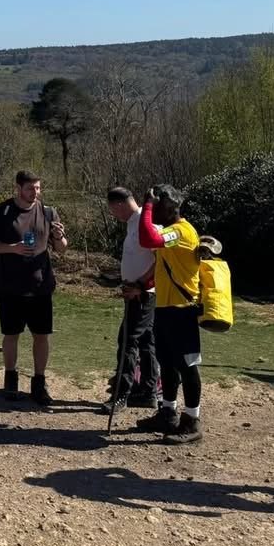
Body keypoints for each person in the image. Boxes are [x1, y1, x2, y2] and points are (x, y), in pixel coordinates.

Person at [0, 170, 67, 406]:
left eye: (38, 188)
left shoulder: (48, 212)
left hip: (41, 286)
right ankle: (11, 379)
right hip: (10, 286)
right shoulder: (3, 211)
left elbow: (61, 248)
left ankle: (39, 383)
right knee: (11, 335)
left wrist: (59, 237)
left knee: (41, 335)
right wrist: (13, 248)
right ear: (18, 188)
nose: (35, 193)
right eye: (30, 188)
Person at [133, 185, 205, 443]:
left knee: (188, 365)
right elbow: (162, 265)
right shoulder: (170, 232)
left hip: (182, 311)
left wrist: (146, 205)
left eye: (156, 206)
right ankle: (168, 413)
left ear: (169, 208)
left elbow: (147, 239)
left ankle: (192, 421)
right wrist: (141, 285)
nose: (152, 212)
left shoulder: (182, 232)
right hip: (165, 309)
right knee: (166, 363)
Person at [97, 186, 160, 417]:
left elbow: (160, 259)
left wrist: (140, 284)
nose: (114, 216)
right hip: (136, 291)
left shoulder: (145, 222)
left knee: (127, 341)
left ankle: (121, 394)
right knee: (146, 341)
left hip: (143, 294)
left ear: (119, 204)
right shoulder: (132, 223)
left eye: (113, 211)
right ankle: (148, 391)